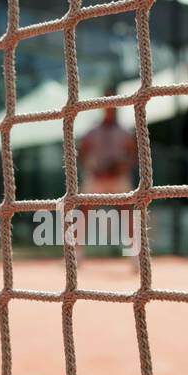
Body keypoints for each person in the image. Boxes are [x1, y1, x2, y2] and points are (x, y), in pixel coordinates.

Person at [75, 90, 139, 267]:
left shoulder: (124, 131)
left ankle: (135, 257)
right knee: (82, 212)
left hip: (118, 177)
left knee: (128, 213)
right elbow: (82, 152)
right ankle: (77, 255)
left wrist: (120, 166)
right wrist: (93, 168)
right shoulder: (92, 130)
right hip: (96, 176)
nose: (110, 108)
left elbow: (132, 154)